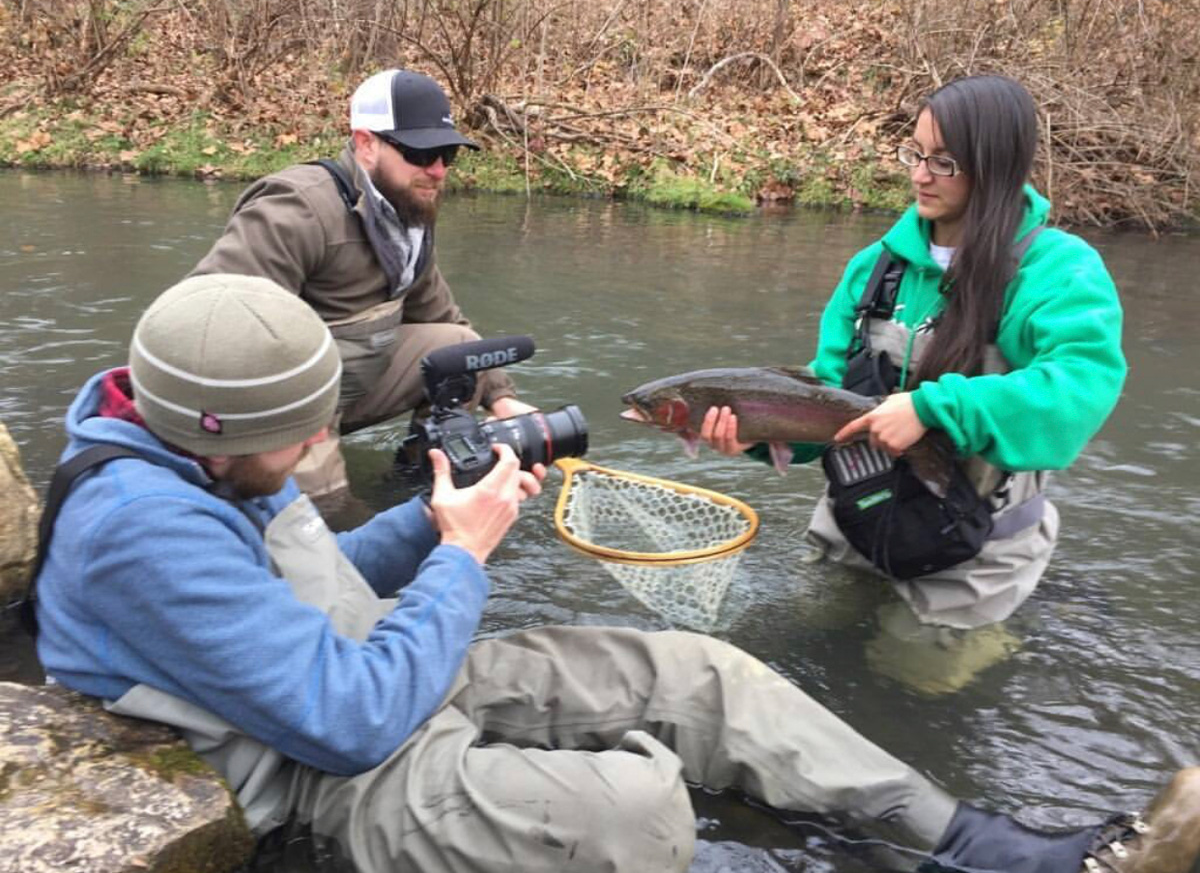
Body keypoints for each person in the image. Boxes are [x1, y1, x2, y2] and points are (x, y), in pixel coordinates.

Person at [29, 273, 1199, 873]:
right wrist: (467, 555)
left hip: (367, 673)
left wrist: (438, 519)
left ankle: (971, 843)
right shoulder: (141, 526)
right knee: (638, 802)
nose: (308, 461)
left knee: (701, 677)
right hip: (324, 767)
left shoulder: (206, 451)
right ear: (215, 432)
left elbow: (310, 577)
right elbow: (347, 723)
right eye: (296, 444)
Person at [700, 75, 1127, 629]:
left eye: (944, 162)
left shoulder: (1058, 272)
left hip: (975, 562)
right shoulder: (872, 268)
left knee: (910, 692)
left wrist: (929, 410)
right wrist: (761, 435)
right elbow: (828, 391)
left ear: (995, 166)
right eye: (915, 153)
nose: (920, 175)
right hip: (856, 530)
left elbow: (1077, 393)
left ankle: (1021, 625)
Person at [189, 67, 536, 506]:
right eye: (419, 152)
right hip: (284, 404)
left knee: (460, 351)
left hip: (348, 383)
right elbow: (204, 318)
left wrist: (503, 402)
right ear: (365, 143)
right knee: (331, 525)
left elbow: (445, 321)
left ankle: (416, 490)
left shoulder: (408, 213)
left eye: (448, 154)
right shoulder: (299, 208)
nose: (437, 170)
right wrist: (287, 422)